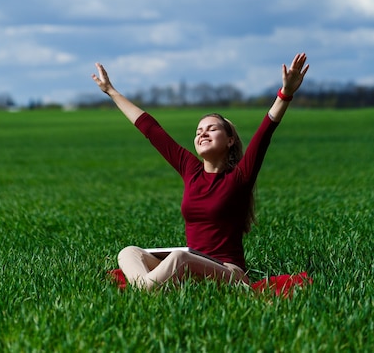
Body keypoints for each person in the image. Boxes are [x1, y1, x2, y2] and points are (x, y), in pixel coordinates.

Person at [92, 53, 309, 290]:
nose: (202, 133)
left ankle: (144, 289)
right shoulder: (190, 170)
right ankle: (148, 286)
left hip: (228, 273)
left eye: (211, 129)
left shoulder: (239, 177)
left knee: (178, 258)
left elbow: (266, 130)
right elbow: (151, 130)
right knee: (129, 252)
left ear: (229, 141)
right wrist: (111, 91)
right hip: (191, 270)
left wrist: (285, 93)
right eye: (198, 131)